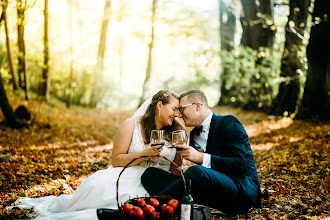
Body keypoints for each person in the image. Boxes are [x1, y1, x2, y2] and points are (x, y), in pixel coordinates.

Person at [12, 90, 183, 219]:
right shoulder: (131, 125)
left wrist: (181, 154)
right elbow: (116, 160)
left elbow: (176, 173)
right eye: (173, 108)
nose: (176, 114)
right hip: (125, 173)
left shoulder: (176, 131)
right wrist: (144, 154)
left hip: (156, 183)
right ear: (159, 105)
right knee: (97, 187)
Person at [141, 89, 261, 214]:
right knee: (151, 174)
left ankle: (152, 208)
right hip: (213, 192)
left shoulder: (228, 122)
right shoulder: (193, 135)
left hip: (240, 191)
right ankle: (174, 208)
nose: (179, 115)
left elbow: (240, 164)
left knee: (196, 171)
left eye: (181, 109)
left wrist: (201, 157)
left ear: (197, 106)